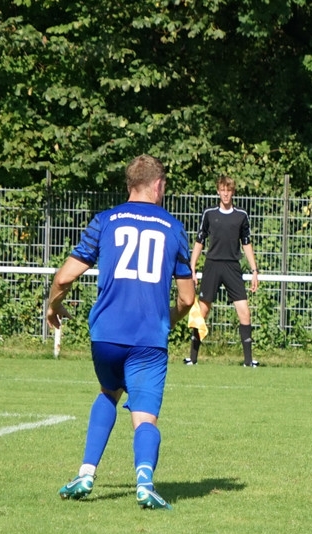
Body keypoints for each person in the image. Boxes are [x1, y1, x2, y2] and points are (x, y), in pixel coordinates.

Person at [48, 154, 196, 509]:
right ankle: (144, 483)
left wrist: (53, 305)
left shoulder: (105, 221)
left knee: (108, 391)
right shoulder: (173, 228)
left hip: (106, 335)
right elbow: (188, 299)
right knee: (144, 415)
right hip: (148, 339)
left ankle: (86, 473)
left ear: (130, 184)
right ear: (158, 185)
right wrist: (166, 320)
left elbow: (65, 277)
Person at [184, 175, 260, 367]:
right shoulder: (209, 214)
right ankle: (192, 358)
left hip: (232, 267)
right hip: (212, 265)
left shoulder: (241, 215)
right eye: (222, 190)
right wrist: (192, 267)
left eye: (229, 190)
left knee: (244, 312)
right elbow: (200, 240)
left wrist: (254, 270)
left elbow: (246, 243)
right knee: (203, 311)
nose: (225, 194)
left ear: (233, 192)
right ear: (218, 191)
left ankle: (248, 361)